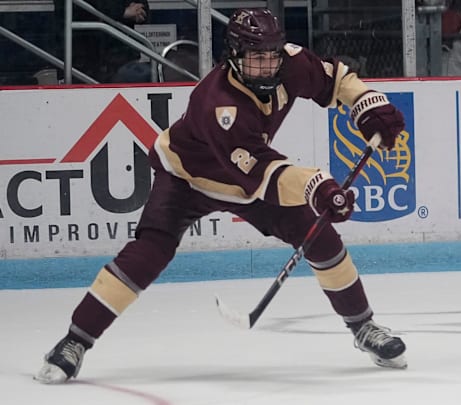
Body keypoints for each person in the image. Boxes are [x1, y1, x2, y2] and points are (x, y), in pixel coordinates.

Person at [35, 8, 407, 384]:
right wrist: (316, 186)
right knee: (148, 253)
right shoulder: (218, 103)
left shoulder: (288, 63)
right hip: (186, 177)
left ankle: (364, 328)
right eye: (255, 58)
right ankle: (74, 341)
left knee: (321, 238)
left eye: (270, 56)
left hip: (248, 178)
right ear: (233, 55)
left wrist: (366, 104)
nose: (265, 66)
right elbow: (265, 174)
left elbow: (336, 79)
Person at [53, 0, 150, 83]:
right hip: (83, 57)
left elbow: (144, 10)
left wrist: (136, 12)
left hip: (122, 55)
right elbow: (77, 10)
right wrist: (121, 12)